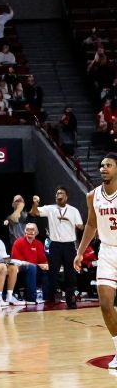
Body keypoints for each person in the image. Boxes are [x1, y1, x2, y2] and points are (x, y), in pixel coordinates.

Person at [73, 154, 117, 370]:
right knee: (106, 304)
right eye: (101, 165)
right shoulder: (93, 195)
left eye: (108, 165)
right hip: (107, 251)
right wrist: (80, 252)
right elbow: (91, 224)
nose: (103, 168)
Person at [31, 189, 84, 309]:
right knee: (53, 273)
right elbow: (34, 213)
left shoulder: (73, 210)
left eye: (61, 194)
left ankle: (70, 300)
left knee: (70, 273)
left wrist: (77, 225)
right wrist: (35, 203)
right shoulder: (50, 208)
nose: (59, 195)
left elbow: (81, 226)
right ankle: (50, 299)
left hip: (69, 245)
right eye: (57, 194)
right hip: (55, 245)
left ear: (66, 196)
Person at [9, 223, 49, 304]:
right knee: (32, 267)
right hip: (21, 270)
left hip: (35, 270)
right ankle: (31, 298)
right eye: (27, 229)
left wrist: (45, 265)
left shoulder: (38, 244)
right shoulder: (18, 242)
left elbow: (43, 260)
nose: (30, 231)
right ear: (24, 231)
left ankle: (47, 298)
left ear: (37, 232)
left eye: (32, 229)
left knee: (48, 269)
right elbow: (17, 261)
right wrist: (35, 265)